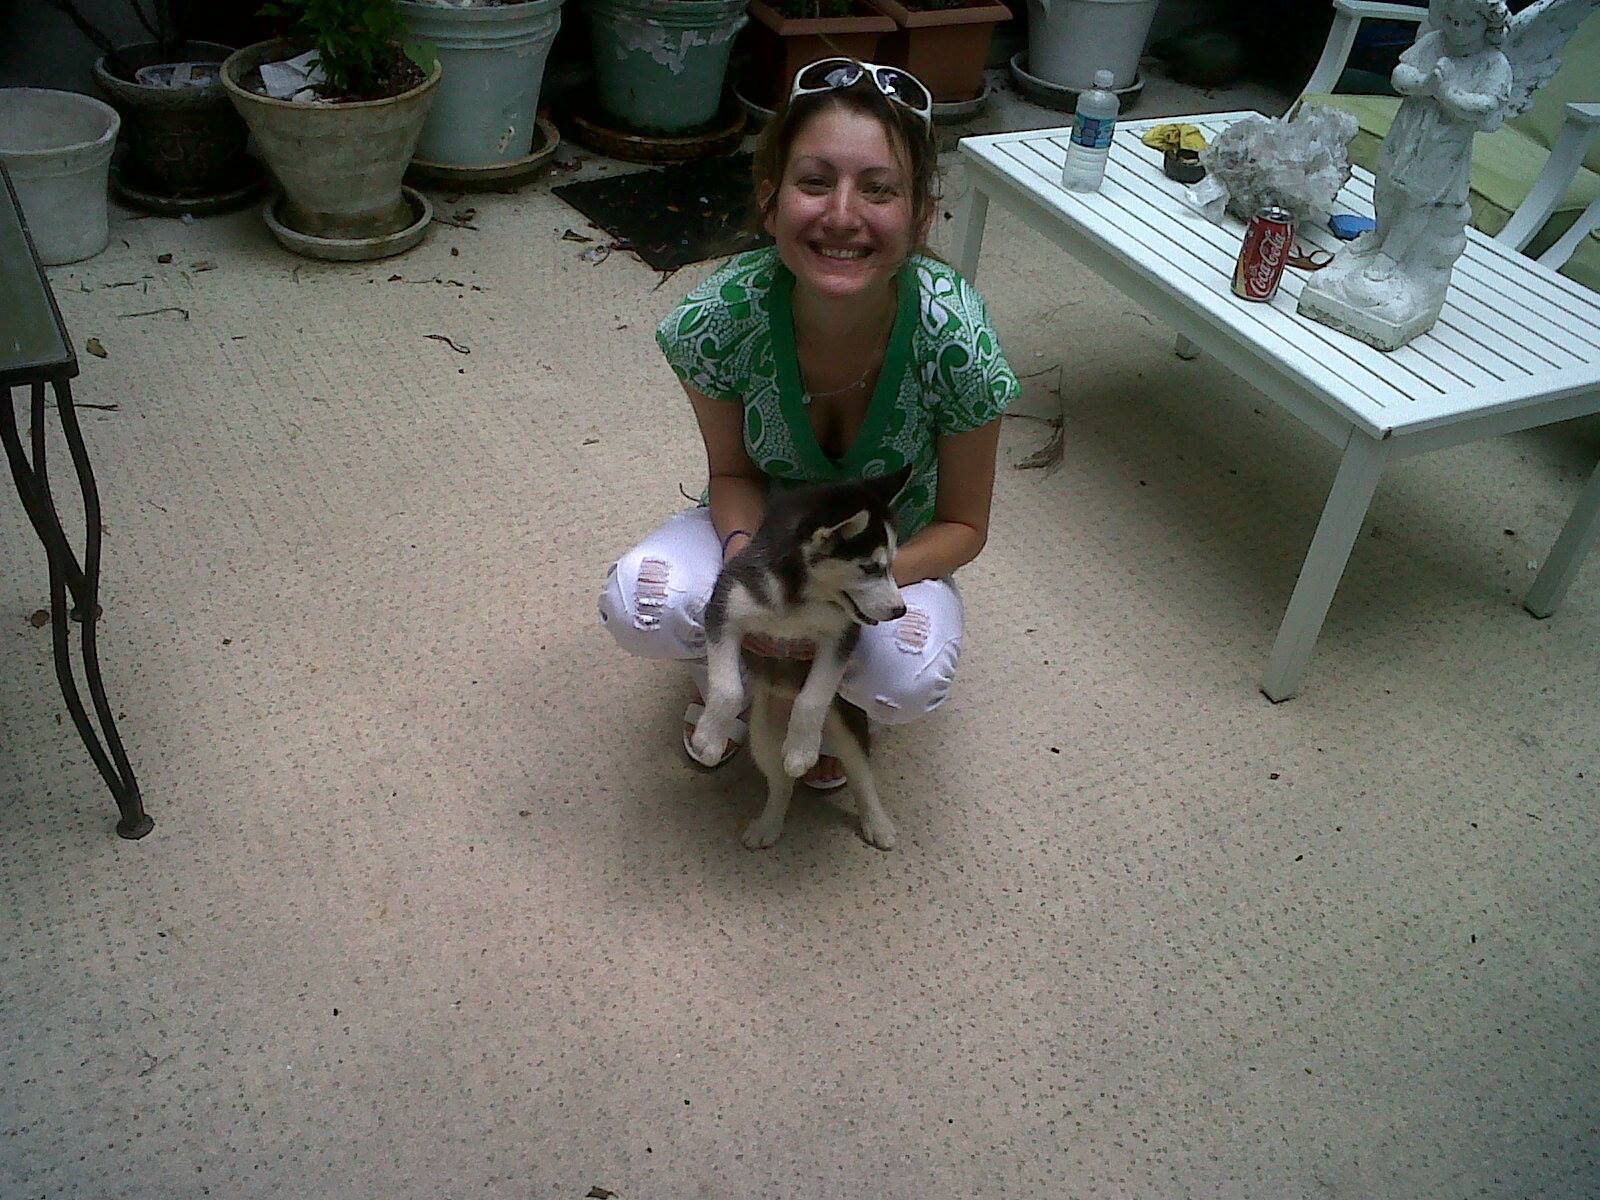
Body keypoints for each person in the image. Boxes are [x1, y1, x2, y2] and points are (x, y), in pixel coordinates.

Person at [599, 58, 1020, 789]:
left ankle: (836, 695)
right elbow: (732, 473)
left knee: (906, 681)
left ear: (921, 216)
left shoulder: (960, 344)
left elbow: (963, 526)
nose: (843, 215)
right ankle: (731, 667)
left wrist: (840, 590)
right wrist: (754, 574)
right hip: (763, 533)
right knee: (642, 605)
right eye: (816, 181)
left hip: (890, 555)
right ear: (771, 202)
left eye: (879, 188)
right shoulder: (715, 321)